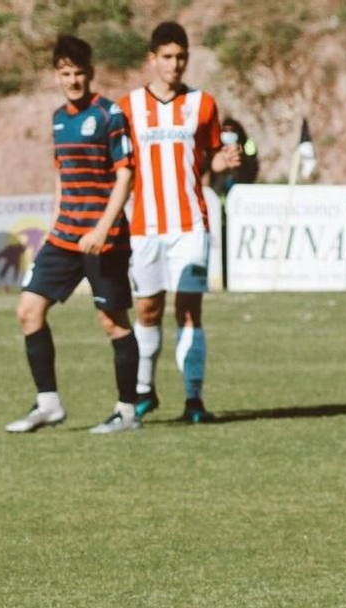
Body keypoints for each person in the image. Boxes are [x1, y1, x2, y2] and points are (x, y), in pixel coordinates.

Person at [5, 35, 141, 435]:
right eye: (65, 73)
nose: (73, 80)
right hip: (64, 236)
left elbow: (126, 176)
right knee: (28, 310)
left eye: (79, 72)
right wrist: (54, 223)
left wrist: (102, 227)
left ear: (90, 73)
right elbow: (61, 176)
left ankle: (127, 412)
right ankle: (48, 404)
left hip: (104, 239)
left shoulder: (109, 114)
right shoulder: (58, 119)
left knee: (113, 323)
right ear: (56, 76)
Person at [119, 21, 240, 423]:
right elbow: (121, 168)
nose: (174, 64)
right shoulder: (128, 107)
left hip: (190, 224)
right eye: (167, 57)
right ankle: (144, 391)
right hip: (144, 227)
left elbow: (211, 158)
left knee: (188, 310)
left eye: (181, 57)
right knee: (147, 309)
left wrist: (222, 162)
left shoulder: (203, 104)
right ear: (152, 59)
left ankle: (193, 399)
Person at [209, 117, 259, 197]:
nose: (228, 133)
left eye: (231, 130)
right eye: (225, 130)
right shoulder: (217, 147)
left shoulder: (247, 143)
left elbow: (252, 163)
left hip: (241, 179)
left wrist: (240, 160)